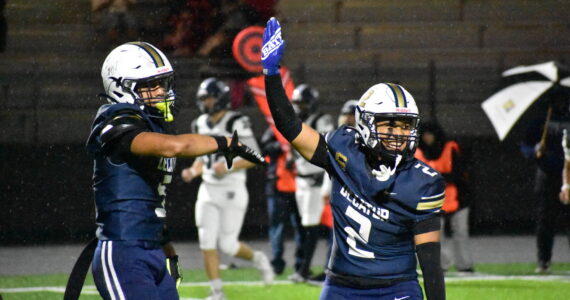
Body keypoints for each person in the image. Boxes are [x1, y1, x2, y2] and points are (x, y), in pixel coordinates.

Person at [262, 18, 446, 300]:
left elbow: (430, 261)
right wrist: (271, 74)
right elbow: (290, 128)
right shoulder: (342, 148)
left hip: (397, 287)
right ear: (366, 124)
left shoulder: (422, 181)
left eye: (405, 126)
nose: (398, 134)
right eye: (389, 125)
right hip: (342, 287)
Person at [86, 42, 264, 300]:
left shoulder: (153, 125)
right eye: (150, 85)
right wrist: (224, 142)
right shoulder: (116, 121)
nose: (161, 91)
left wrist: (166, 248)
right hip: (123, 251)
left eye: (162, 83)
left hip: (152, 248)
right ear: (122, 86)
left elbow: (151, 198)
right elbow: (175, 147)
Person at [180, 77, 274, 300]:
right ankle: (217, 291)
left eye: (210, 98)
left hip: (232, 189)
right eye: (203, 98)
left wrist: (230, 166)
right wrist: (193, 171)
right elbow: (203, 159)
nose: (206, 102)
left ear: (221, 99)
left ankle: (258, 258)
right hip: (208, 189)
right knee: (206, 241)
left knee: (228, 245)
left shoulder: (236, 122)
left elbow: (256, 157)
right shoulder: (199, 123)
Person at [247, 66, 305, 276]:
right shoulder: (275, 127)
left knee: (301, 227)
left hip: (298, 183)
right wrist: (282, 148)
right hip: (277, 183)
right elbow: (265, 148)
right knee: (278, 227)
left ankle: (300, 264)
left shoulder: (301, 128)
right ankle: (277, 262)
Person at [287, 84, 335, 283]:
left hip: (319, 180)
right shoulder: (298, 122)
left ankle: (307, 269)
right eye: (296, 102)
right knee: (307, 226)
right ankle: (304, 268)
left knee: (315, 227)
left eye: (302, 102)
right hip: (302, 181)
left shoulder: (321, 120)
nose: (299, 106)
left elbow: (329, 148)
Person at [309, 99, 359, 284]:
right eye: (345, 114)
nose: (346, 118)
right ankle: (333, 271)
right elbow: (329, 165)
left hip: (356, 194)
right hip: (341, 191)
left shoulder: (360, 140)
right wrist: (326, 188)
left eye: (351, 114)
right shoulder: (338, 137)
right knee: (336, 235)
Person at [520, 91, 570, 274]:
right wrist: (535, 150)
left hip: (568, 173)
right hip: (547, 174)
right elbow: (525, 145)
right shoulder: (541, 119)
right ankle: (543, 261)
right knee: (545, 220)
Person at [415, 120, 474, 273]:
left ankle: (464, 265)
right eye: (425, 135)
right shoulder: (419, 151)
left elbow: (459, 173)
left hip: (458, 198)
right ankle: (441, 265)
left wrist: (437, 178)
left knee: (460, 232)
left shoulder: (451, 148)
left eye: (430, 135)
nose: (427, 138)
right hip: (433, 200)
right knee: (437, 234)